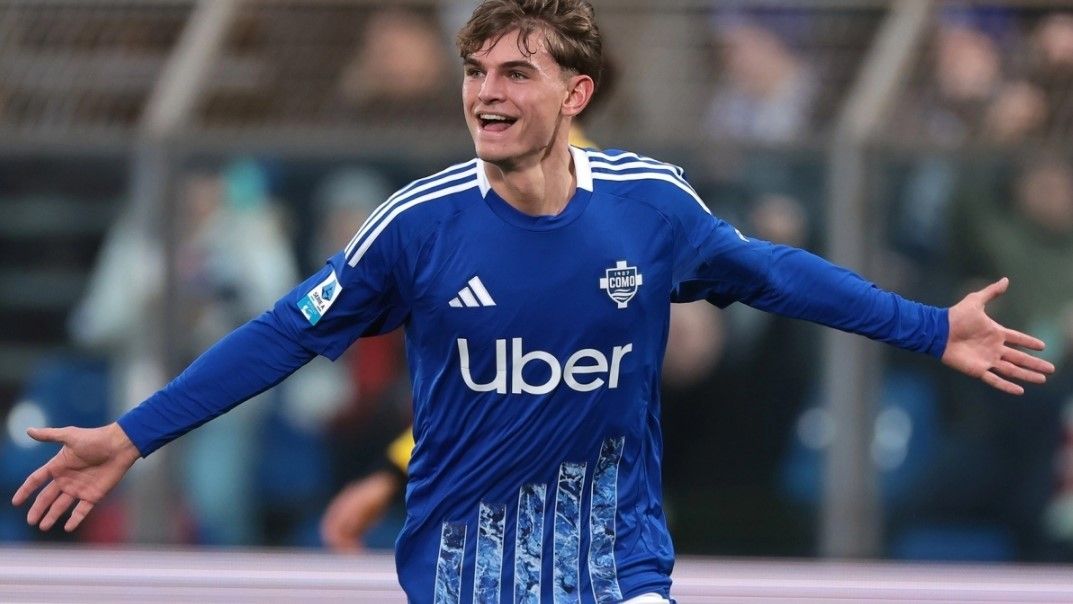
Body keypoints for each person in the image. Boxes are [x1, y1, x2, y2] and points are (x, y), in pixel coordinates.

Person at [11, 1, 1055, 602]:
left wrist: (930, 328)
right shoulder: (417, 225)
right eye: (475, 72)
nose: (486, 92)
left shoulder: (648, 208)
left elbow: (777, 273)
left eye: (515, 72)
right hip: (463, 574)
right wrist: (132, 435)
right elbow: (282, 334)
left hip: (616, 567)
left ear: (574, 95)